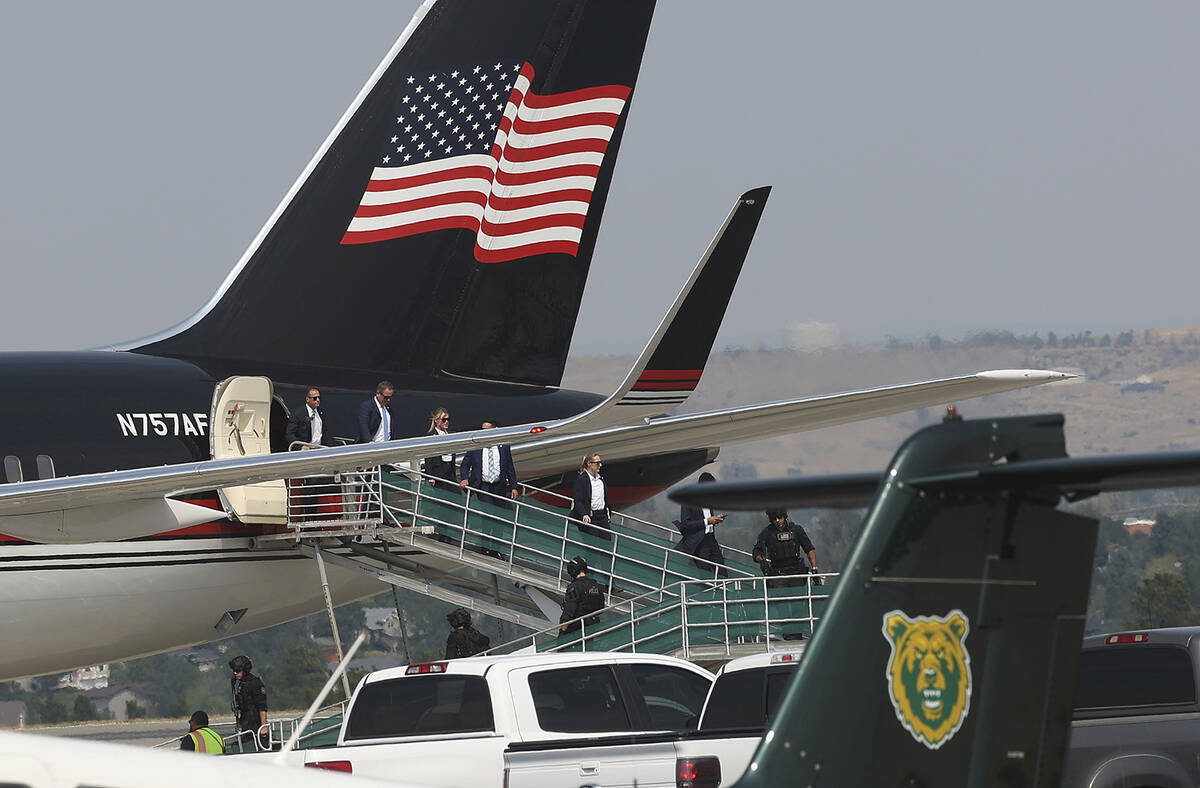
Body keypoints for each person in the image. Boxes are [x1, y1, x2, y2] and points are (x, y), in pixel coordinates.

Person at [285, 387, 333, 520]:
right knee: (312, 483)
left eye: (319, 398)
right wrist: (301, 446)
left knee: (318, 484)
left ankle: (314, 516)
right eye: (314, 398)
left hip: (319, 452)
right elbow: (289, 434)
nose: (318, 400)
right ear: (307, 399)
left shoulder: (321, 413)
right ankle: (307, 517)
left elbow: (325, 433)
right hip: (307, 454)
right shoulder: (298, 414)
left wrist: (332, 449)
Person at [674, 472, 728, 577]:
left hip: (711, 540)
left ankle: (721, 588)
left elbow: (708, 518)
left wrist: (716, 519)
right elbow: (685, 524)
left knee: (722, 573)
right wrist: (708, 521)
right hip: (699, 542)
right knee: (705, 574)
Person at [459, 420, 519, 508]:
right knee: (488, 509)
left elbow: (509, 467)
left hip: (499, 487)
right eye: (482, 430)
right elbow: (465, 465)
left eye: (486, 430)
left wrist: (514, 487)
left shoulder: (503, 447)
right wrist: (465, 478)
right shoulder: (476, 447)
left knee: (499, 511)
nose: (483, 432)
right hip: (483, 486)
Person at [753, 510, 821, 586]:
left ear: (784, 516)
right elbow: (757, 551)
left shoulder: (796, 530)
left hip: (796, 573)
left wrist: (814, 569)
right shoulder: (767, 533)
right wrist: (761, 561)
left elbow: (809, 549)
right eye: (774, 519)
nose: (777, 520)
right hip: (777, 575)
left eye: (779, 517)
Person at [228, 655, 268, 750]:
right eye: (234, 670)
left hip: (255, 724)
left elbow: (262, 706)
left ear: (244, 670)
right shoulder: (241, 684)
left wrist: (263, 726)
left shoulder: (255, 683)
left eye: (237, 670)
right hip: (245, 723)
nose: (235, 673)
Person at [559, 556, 605, 634]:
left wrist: (562, 631)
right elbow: (601, 606)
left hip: (575, 628)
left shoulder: (575, 587)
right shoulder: (595, 585)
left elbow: (569, 611)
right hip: (592, 627)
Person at [571, 453, 611, 541]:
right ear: (589, 463)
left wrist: (607, 514)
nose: (600, 465)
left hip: (602, 517)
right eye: (597, 463)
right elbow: (578, 500)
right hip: (590, 517)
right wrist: (584, 514)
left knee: (607, 543)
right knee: (592, 543)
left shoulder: (601, 479)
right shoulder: (581, 479)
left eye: (600, 463)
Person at [422, 407, 458, 489]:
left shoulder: (450, 435)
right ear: (436, 420)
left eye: (448, 419)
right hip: (438, 474)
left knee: (456, 493)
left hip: (450, 473)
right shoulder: (432, 436)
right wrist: (430, 477)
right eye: (443, 420)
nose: (446, 422)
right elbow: (428, 458)